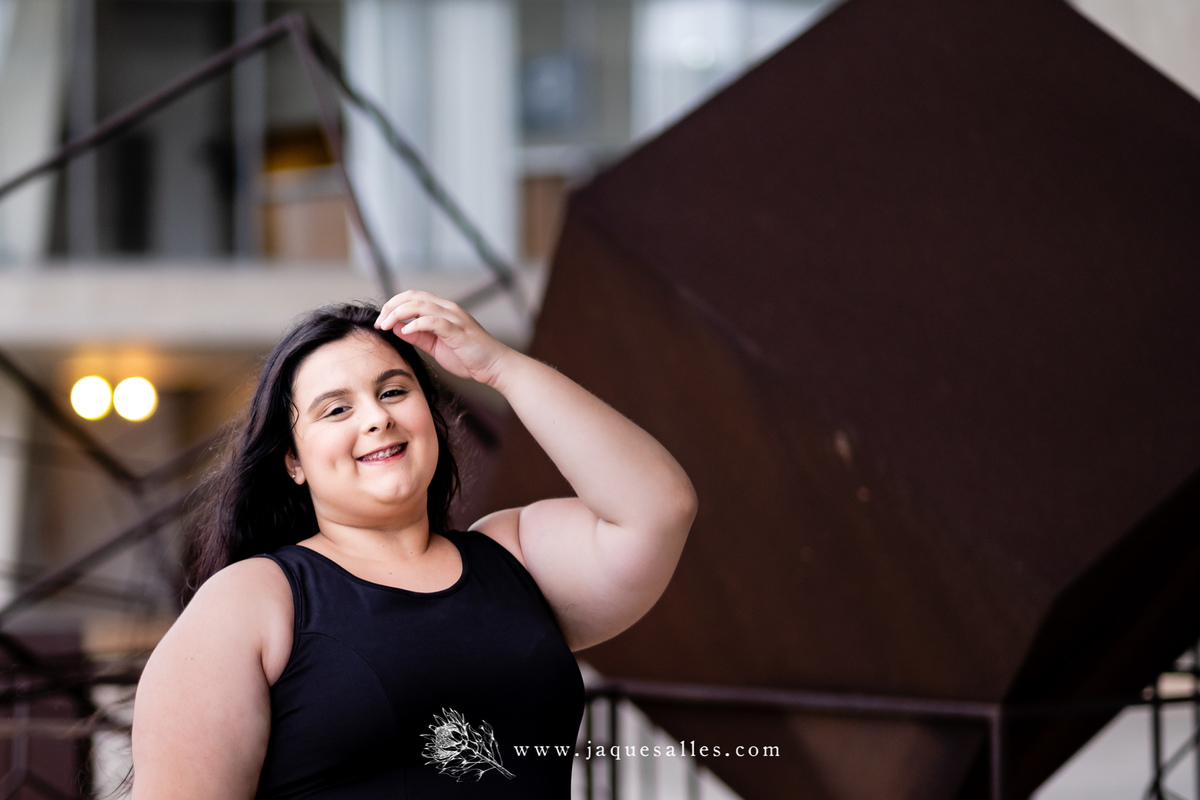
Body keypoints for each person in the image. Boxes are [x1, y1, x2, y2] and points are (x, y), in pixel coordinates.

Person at [130, 290, 697, 799]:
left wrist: (499, 368)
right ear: (294, 462)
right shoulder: (253, 599)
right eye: (337, 409)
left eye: (394, 391)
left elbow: (658, 509)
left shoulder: (514, 555)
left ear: (431, 418)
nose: (376, 417)